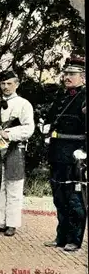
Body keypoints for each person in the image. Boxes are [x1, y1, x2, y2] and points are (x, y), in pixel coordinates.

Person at [0, 70, 34, 236]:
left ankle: (12, 223)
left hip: (14, 150)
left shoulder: (24, 104)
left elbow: (29, 129)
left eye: (9, 83)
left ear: (16, 84)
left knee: (14, 187)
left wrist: (9, 134)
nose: (5, 87)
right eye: (3, 84)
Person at [43, 54, 86, 251]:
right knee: (58, 197)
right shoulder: (60, 98)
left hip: (76, 156)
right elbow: (50, 121)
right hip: (57, 153)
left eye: (72, 74)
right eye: (66, 73)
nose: (67, 77)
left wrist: (83, 153)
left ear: (83, 78)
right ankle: (61, 238)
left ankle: (74, 240)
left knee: (75, 199)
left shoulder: (85, 99)